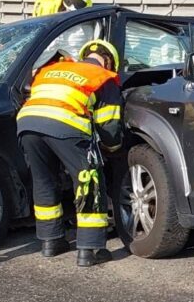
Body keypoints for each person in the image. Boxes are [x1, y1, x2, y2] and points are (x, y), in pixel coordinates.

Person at [16, 38, 122, 267]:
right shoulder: (103, 77)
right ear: (109, 62)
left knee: (43, 181)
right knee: (89, 182)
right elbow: (110, 127)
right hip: (65, 124)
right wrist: (111, 150)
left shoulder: (56, 67)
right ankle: (90, 249)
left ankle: (50, 242)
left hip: (28, 124)